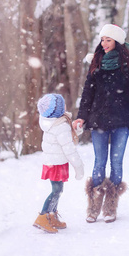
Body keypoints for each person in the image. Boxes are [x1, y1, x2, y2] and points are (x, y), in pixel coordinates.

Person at [73, 24, 129, 223]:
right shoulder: (96, 62)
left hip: (122, 120)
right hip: (99, 119)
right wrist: (82, 116)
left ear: (118, 42)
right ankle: (94, 205)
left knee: (117, 162)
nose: (103, 43)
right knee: (99, 161)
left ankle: (110, 206)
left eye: (108, 40)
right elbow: (88, 93)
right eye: (102, 39)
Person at [33, 93, 85, 233]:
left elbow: (65, 138)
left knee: (58, 190)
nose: (66, 106)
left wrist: (76, 130)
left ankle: (52, 215)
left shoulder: (52, 122)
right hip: (56, 164)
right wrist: (78, 167)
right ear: (58, 110)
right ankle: (43, 216)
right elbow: (69, 149)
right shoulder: (60, 126)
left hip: (53, 162)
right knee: (56, 191)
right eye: (63, 104)